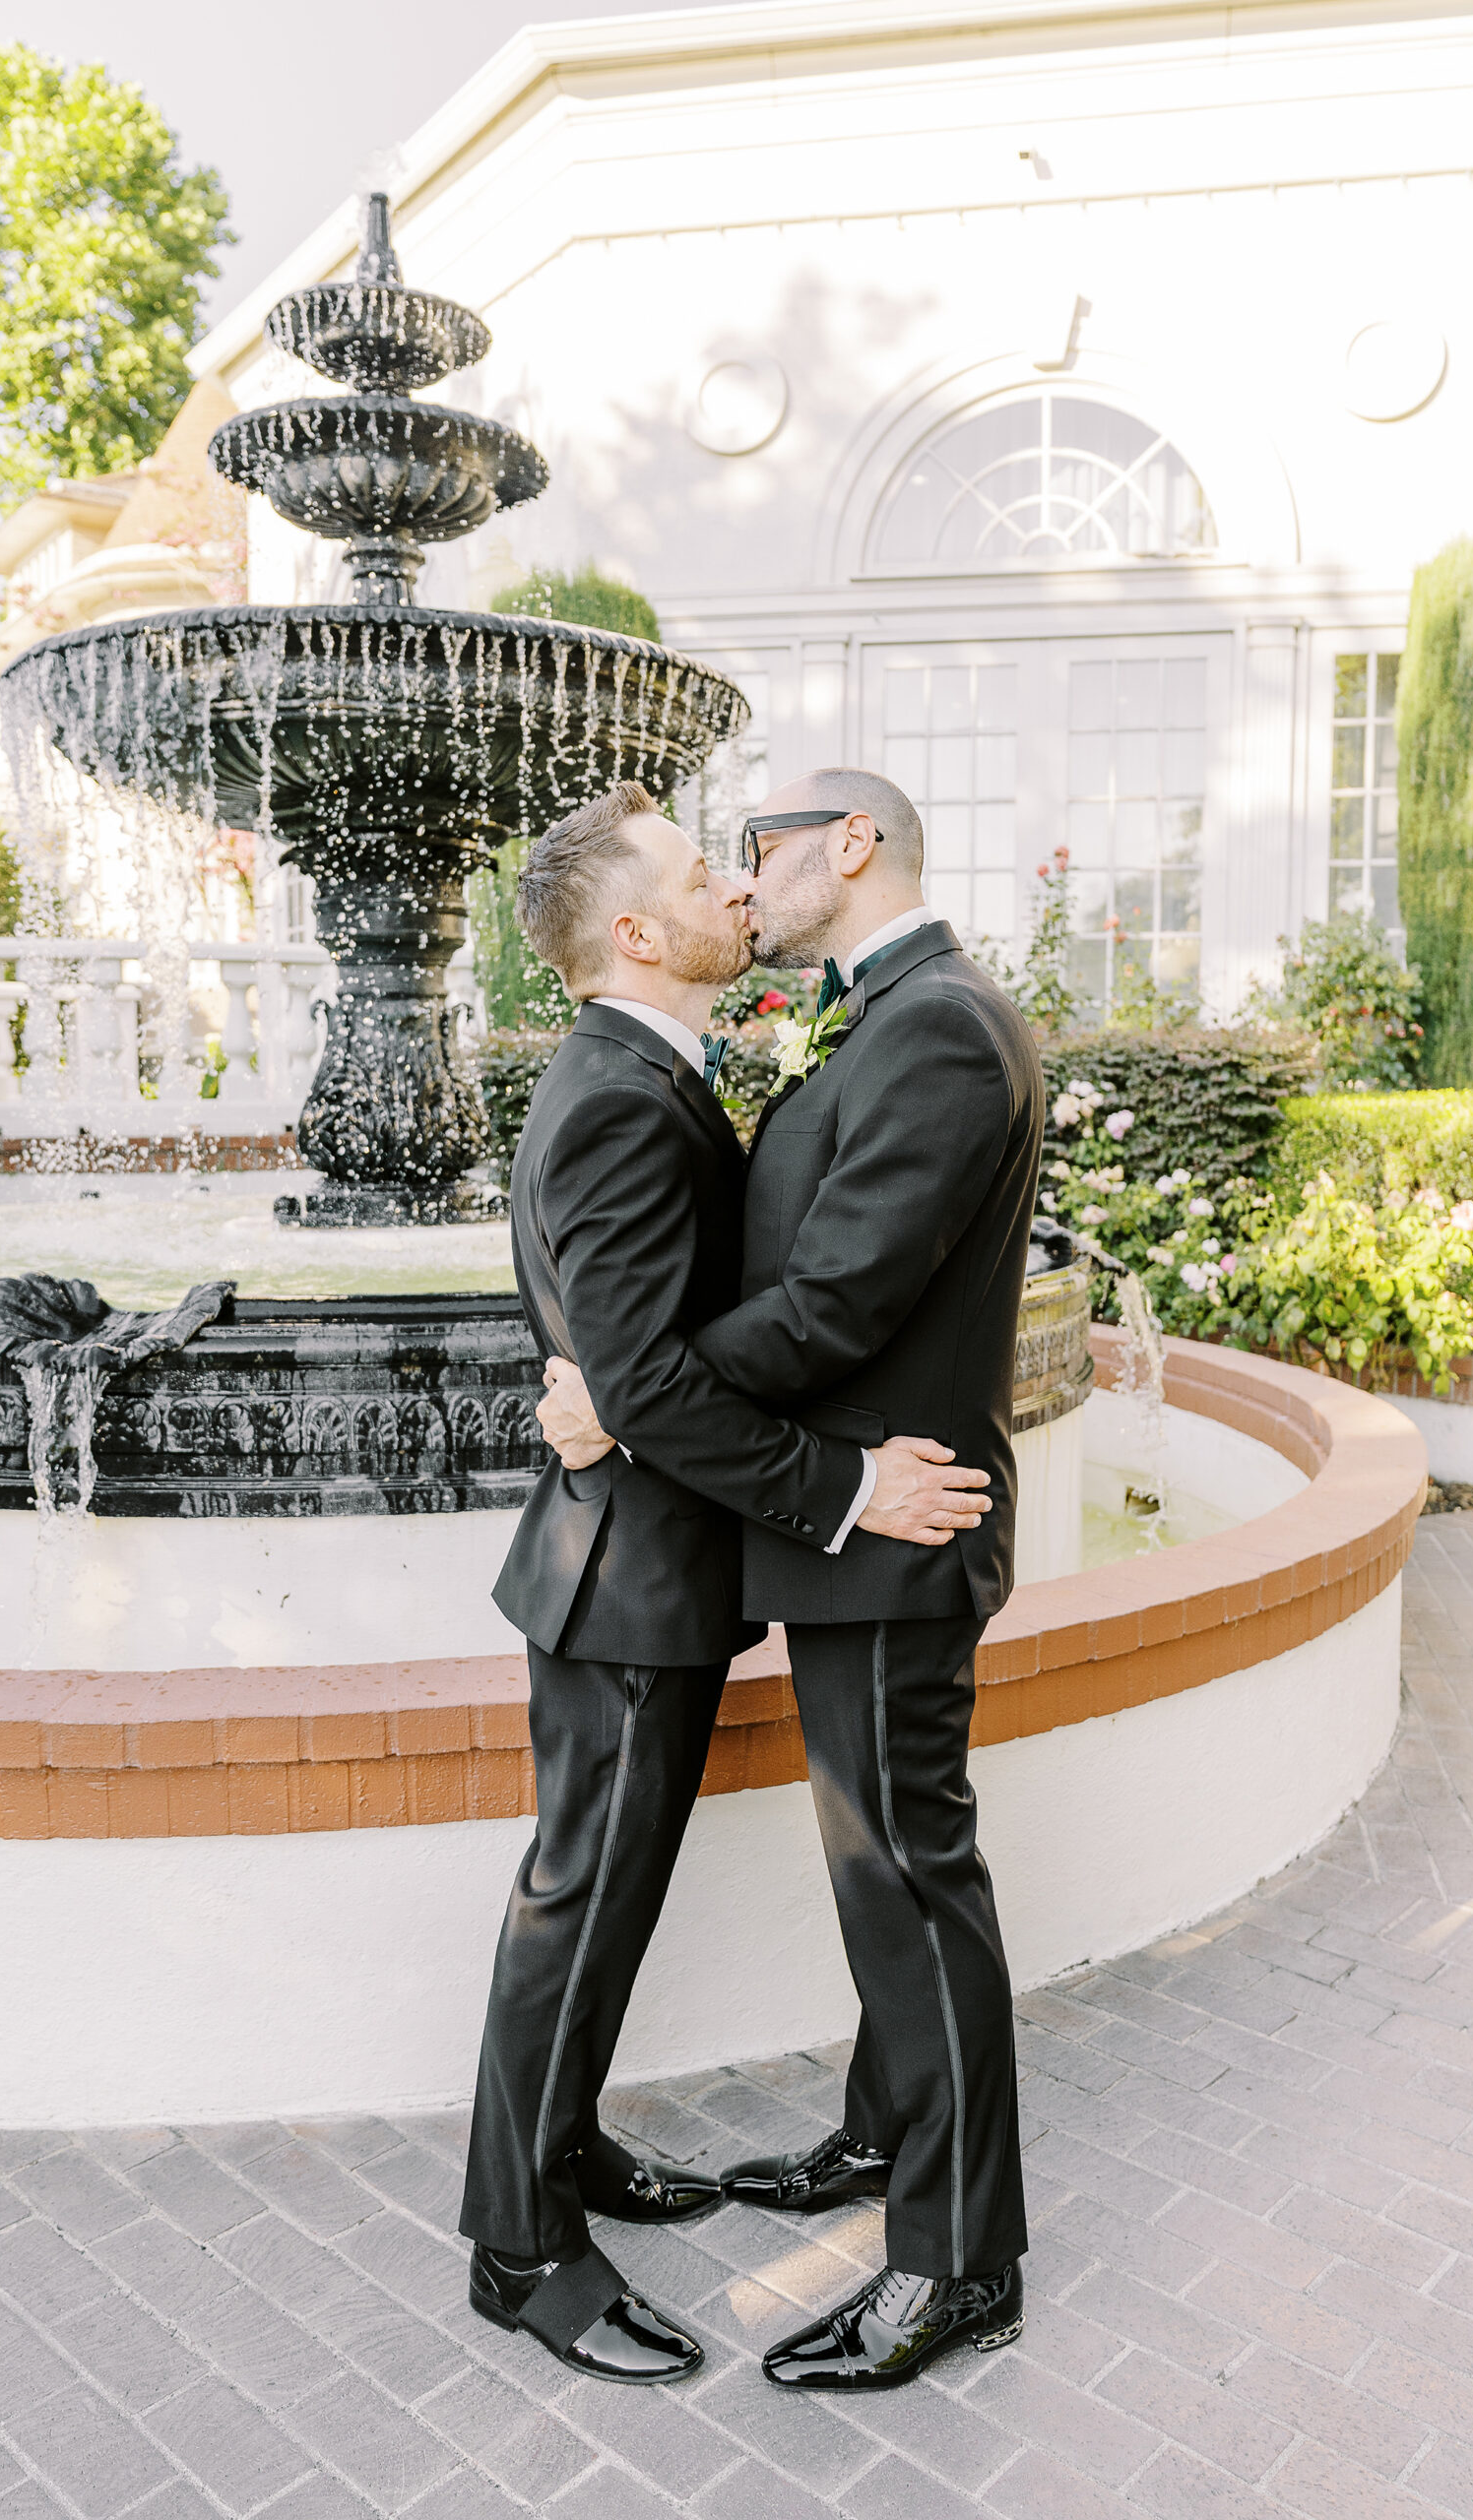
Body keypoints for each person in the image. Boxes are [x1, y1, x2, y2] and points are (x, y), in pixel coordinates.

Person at [459, 781, 995, 2387]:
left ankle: (565, 2152)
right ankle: (521, 2246)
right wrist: (830, 1484)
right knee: (578, 1902)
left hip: (659, 1562)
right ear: (637, 932)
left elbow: (634, 1337)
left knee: (600, 1901)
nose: (729, 889)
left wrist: (607, 1379)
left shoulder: (659, 1067)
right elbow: (636, 1360)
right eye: (701, 872)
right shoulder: (619, 1087)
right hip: (623, 1579)